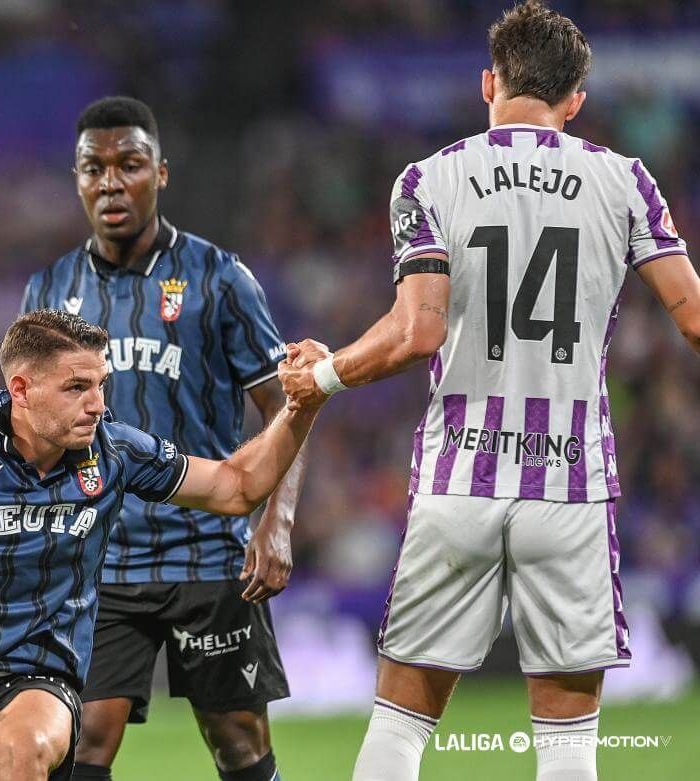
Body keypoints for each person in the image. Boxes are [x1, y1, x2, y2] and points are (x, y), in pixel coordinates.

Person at [281, 3, 700, 780]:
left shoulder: (429, 178)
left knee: (401, 727)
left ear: (488, 83)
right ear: (576, 99)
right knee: (569, 747)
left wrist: (326, 373)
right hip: (570, 484)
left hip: (458, 481)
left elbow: (417, 332)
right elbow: (694, 317)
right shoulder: (625, 180)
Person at [0, 309, 320, 781]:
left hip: (33, 671)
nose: (96, 404)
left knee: (23, 747)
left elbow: (237, 487)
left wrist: (303, 404)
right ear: (21, 389)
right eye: (77, 388)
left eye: (101, 384)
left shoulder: (114, 452)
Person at [21, 96, 302, 781]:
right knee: (82, 736)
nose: (111, 182)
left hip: (205, 549)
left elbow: (286, 406)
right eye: (94, 167)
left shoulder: (219, 278)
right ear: (77, 178)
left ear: (161, 174)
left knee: (237, 737)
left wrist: (277, 522)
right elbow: (28, 431)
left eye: (130, 164)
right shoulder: (50, 288)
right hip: (100, 558)